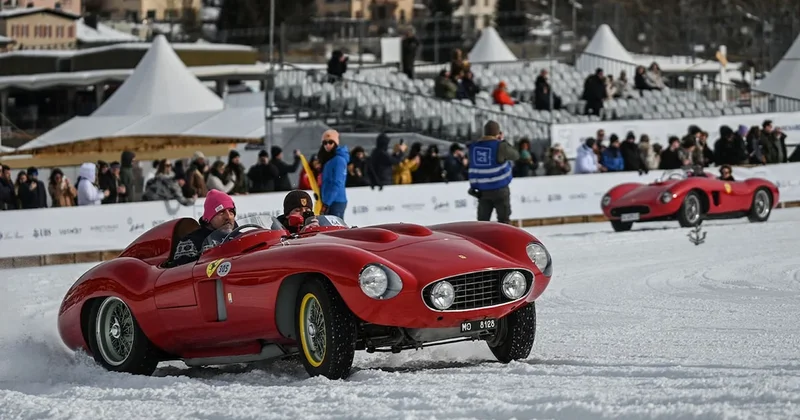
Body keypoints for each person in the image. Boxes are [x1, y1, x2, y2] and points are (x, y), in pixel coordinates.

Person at [467, 120, 519, 224]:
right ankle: (503, 240)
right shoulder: (500, 146)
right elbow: (515, 155)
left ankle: (482, 240)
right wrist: (503, 141)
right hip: (500, 189)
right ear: (498, 133)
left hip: (482, 191)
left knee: (482, 222)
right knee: (504, 221)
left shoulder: (474, 147)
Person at [171, 190, 237, 267]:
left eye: (231, 212)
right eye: (221, 212)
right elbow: (181, 273)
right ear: (209, 217)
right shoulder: (191, 242)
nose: (228, 217)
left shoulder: (240, 236)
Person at [319, 129, 349, 219]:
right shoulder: (329, 158)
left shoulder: (338, 160)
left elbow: (337, 182)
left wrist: (327, 202)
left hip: (335, 201)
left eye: (330, 142)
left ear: (336, 143)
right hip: (330, 200)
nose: (327, 145)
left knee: (336, 230)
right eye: (325, 143)